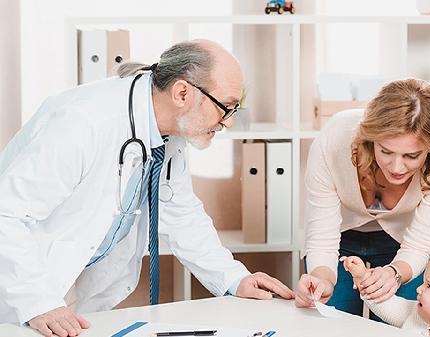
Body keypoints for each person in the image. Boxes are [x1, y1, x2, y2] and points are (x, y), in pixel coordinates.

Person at [0, 39, 294, 337]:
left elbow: (182, 216)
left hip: (72, 282)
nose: (228, 123)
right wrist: (37, 301)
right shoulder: (84, 121)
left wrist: (234, 279)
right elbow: (6, 214)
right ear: (182, 93)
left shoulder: (171, 133)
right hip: (24, 282)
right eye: (226, 108)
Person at [295, 79, 430, 319]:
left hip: (401, 243)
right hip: (340, 237)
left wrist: (395, 272)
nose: (397, 167)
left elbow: (420, 242)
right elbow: (322, 235)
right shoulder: (336, 138)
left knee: (396, 326)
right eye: (385, 151)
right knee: (331, 321)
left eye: (412, 156)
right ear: (369, 139)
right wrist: (321, 280)